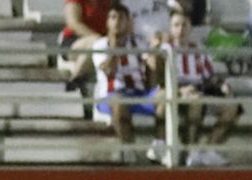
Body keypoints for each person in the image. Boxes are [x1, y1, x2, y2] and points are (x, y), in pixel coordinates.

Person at [159, 7, 240, 165]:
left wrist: (221, 85)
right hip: (175, 91)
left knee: (232, 107)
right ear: (170, 28)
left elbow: (209, 77)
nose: (180, 30)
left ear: (190, 27)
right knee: (195, 101)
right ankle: (191, 150)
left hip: (199, 88)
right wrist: (180, 89)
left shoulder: (198, 50)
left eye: (184, 25)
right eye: (176, 25)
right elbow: (158, 79)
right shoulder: (164, 50)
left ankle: (209, 149)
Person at [93, 4, 156, 160]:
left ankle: (161, 146)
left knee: (165, 98)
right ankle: (128, 150)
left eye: (121, 18)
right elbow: (107, 70)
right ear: (107, 22)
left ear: (128, 21)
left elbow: (151, 67)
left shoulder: (139, 43)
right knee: (119, 103)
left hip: (139, 94)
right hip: (111, 95)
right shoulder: (100, 45)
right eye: (113, 17)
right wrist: (115, 48)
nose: (117, 22)